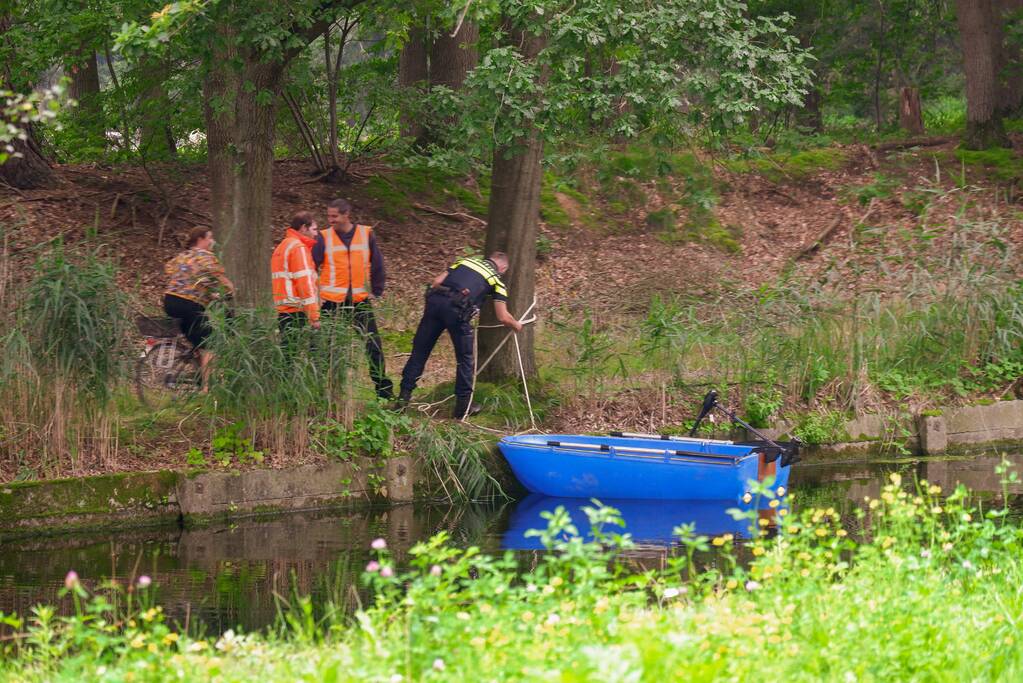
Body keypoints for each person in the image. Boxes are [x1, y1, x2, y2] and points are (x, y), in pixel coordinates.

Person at [398, 251, 523, 418]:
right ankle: (463, 408)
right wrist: (517, 325)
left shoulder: (465, 262)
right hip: (457, 313)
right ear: (503, 267)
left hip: (434, 305)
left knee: (419, 352)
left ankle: (402, 401)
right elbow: (503, 317)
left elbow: (436, 282)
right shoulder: (496, 280)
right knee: (465, 360)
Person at [311, 198, 394, 399]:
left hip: (360, 300)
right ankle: (320, 389)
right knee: (323, 345)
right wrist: (313, 295)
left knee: (373, 345)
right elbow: (312, 266)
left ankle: (383, 392)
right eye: (328, 215)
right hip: (331, 301)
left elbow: (377, 264)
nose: (330, 220)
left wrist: (377, 290)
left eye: (334, 216)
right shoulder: (323, 237)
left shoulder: (366, 234)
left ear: (346, 214)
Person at [163, 226, 234, 387]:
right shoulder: (205, 256)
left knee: (198, 339)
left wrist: (209, 294)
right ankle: (208, 389)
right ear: (201, 239)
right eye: (210, 238)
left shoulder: (183, 256)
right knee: (210, 343)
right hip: (188, 303)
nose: (212, 242)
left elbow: (169, 269)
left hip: (170, 301)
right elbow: (220, 278)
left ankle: (196, 367)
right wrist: (233, 290)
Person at [272, 211, 321, 335]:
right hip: (297, 311)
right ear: (304, 228)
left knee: (288, 351)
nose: (316, 233)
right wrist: (314, 316)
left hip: (285, 310)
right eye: (314, 229)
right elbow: (304, 283)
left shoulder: (283, 246)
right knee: (297, 351)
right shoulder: (298, 248)